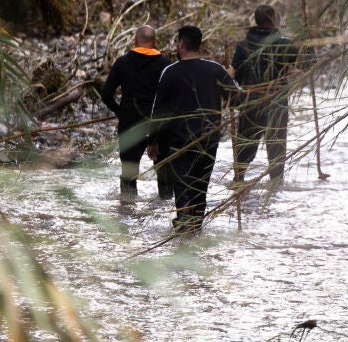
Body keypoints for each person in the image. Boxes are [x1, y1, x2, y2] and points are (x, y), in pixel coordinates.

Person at [150, 25, 242, 233]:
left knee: (183, 190)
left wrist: (152, 141)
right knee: (201, 189)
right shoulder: (215, 70)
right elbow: (236, 98)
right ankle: (195, 231)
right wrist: (231, 78)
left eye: (177, 42)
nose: (176, 46)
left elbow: (158, 112)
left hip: (180, 142)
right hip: (209, 139)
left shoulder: (170, 72)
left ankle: (184, 233)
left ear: (182, 44)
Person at [231, 4, 301, 186]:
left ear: (256, 21)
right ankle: (276, 189)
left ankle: (238, 185)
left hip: (250, 104)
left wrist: (232, 97)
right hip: (277, 104)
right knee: (277, 153)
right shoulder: (284, 44)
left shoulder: (243, 45)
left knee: (244, 150)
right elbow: (304, 65)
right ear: (273, 20)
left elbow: (232, 74)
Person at [100, 25, 172, 200]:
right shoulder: (165, 65)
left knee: (129, 172)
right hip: (157, 125)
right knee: (163, 170)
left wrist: (120, 111)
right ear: (155, 42)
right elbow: (171, 99)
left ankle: (127, 209)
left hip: (130, 123)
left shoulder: (122, 62)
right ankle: (165, 205)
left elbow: (106, 95)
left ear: (135, 40)